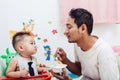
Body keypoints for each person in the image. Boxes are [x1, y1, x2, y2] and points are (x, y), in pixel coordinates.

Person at [50, 8, 119, 80]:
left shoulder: (103, 51)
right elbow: (80, 71)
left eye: (69, 27)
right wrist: (64, 59)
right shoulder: (78, 44)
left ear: (83, 28)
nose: (65, 32)